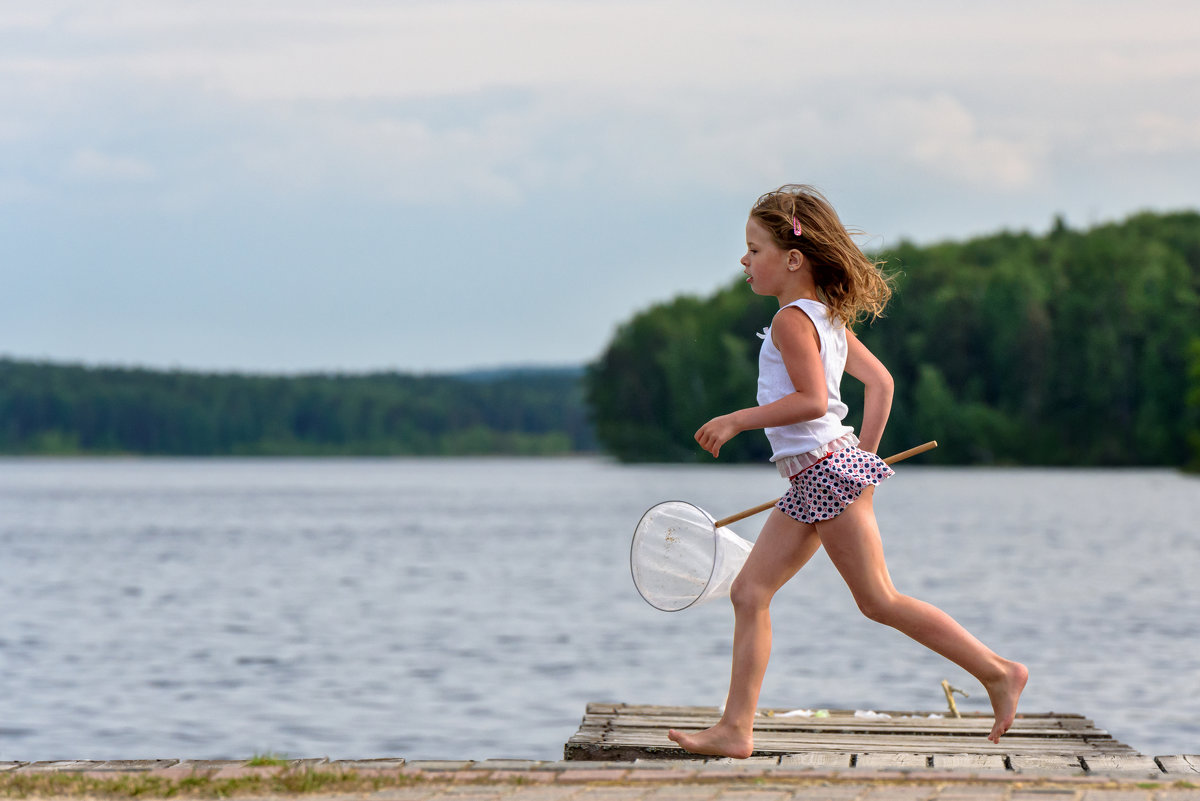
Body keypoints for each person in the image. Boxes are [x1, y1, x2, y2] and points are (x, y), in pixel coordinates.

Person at [667, 185, 1027, 758]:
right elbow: (881, 384)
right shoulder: (826, 319)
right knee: (750, 591)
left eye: (753, 249)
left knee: (877, 599)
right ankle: (736, 730)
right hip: (823, 476)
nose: (744, 260)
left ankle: (999, 673)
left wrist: (737, 419)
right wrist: (865, 458)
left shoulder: (792, 320)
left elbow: (812, 402)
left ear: (792, 258)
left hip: (826, 475)